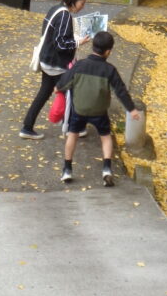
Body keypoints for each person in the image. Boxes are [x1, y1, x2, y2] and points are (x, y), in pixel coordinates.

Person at [56, 30, 140, 186]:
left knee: (72, 135)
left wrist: (58, 88)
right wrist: (132, 109)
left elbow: (64, 83)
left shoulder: (79, 65)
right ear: (108, 51)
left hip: (79, 110)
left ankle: (67, 169)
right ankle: (107, 169)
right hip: (99, 112)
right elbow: (121, 91)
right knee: (106, 137)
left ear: (93, 47)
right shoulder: (110, 70)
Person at [19, 0, 90, 139]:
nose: (82, 7)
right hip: (57, 64)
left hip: (47, 60)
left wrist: (73, 39)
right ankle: (73, 127)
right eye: (82, 3)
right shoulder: (65, 16)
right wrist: (79, 42)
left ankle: (27, 127)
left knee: (44, 93)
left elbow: (54, 36)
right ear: (74, 0)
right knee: (73, 93)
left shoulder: (55, 9)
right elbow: (61, 44)